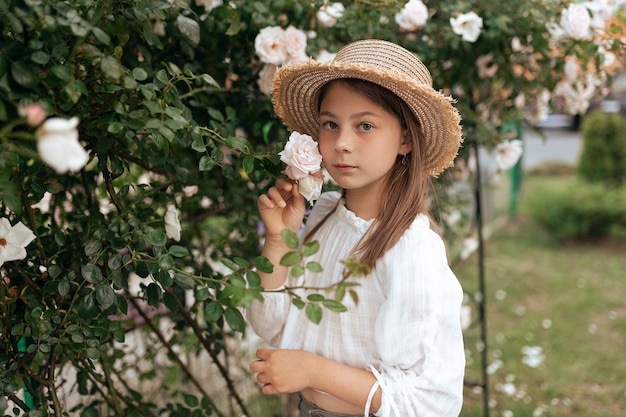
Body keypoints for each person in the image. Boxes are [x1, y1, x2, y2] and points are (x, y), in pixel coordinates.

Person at [247, 39, 465, 417]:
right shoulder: (326, 213)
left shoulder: (411, 248)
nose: (342, 143)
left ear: (405, 140)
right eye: (331, 124)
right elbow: (272, 326)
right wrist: (279, 240)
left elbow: (431, 402)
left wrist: (314, 370)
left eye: (365, 125)